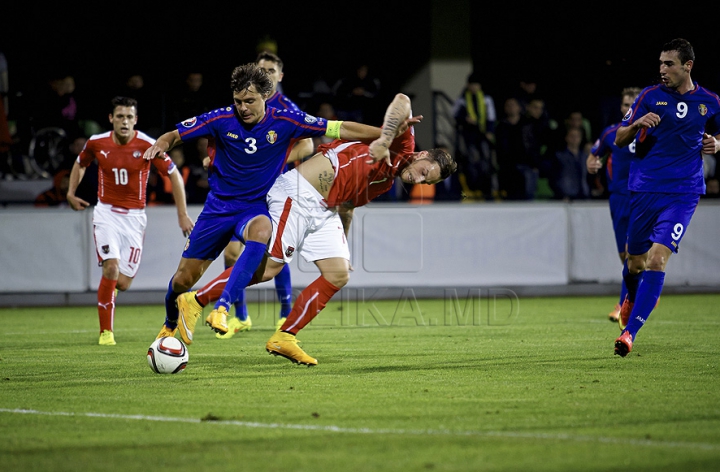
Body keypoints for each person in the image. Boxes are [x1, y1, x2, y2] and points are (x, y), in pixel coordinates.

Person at [176, 93, 457, 365]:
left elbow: (347, 206)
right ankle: (195, 301)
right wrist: (384, 138)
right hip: (298, 193)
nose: (418, 178)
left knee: (338, 273)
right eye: (424, 171)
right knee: (270, 268)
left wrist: (342, 245)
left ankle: (284, 336)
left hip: (326, 210)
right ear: (421, 155)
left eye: (426, 181)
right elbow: (402, 100)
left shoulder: (385, 182)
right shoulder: (402, 145)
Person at [147, 63, 387, 347]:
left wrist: (385, 134)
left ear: (266, 95)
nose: (243, 108)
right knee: (183, 279)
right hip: (219, 208)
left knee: (262, 232)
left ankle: (223, 307)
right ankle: (170, 322)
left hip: (256, 206)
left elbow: (340, 128)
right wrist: (160, 144)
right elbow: (174, 134)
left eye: (250, 101)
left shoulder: (287, 120)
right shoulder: (221, 118)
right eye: (238, 101)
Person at [612, 38, 720, 357]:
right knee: (635, 264)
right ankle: (631, 295)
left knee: (657, 260)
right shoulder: (649, 96)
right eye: (660, 63)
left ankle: (630, 334)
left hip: (683, 192)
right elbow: (619, 137)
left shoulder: (710, 101)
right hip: (645, 189)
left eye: (668, 64)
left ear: (688, 66)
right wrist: (636, 124)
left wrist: (718, 143)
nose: (662, 69)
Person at [66, 96, 193, 346]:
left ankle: (109, 291)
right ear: (111, 119)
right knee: (111, 267)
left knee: (122, 282)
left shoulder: (147, 145)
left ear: (136, 120)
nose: (124, 121)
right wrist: (71, 193)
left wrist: (182, 214)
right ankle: (106, 332)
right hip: (106, 213)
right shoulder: (96, 143)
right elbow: (80, 163)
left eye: (129, 117)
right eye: (120, 116)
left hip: (135, 218)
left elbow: (174, 175)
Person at [213, 52, 316, 340]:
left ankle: (285, 312)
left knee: (274, 251)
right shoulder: (242, 107)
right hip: (241, 191)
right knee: (232, 252)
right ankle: (240, 316)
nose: (267, 74)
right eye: (262, 69)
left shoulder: (286, 107)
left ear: (280, 76)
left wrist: (274, 163)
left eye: (271, 70)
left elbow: (307, 146)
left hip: (275, 189)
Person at [586, 87, 642, 322]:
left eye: (631, 104)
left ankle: (623, 305)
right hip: (618, 198)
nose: (626, 108)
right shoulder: (611, 133)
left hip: (642, 197)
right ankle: (642, 285)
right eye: (624, 104)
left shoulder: (651, 132)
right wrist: (591, 164)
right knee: (624, 256)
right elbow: (593, 155)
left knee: (632, 254)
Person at [452, 72, 497, 200]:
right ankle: (473, 187)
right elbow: (454, 113)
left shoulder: (486, 99)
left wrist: (489, 131)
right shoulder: (463, 99)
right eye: (472, 85)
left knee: (486, 161)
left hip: (482, 134)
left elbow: (491, 116)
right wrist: (465, 118)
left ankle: (486, 188)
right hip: (469, 135)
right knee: (472, 161)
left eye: (476, 85)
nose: (474, 87)